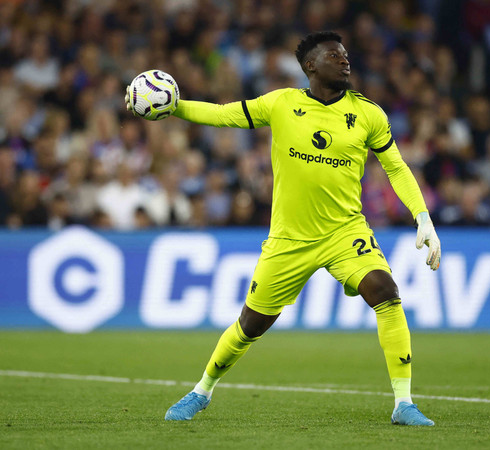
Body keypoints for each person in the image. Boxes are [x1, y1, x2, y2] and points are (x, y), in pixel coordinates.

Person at [125, 31, 441, 426]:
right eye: (334, 55)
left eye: (345, 55)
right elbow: (224, 115)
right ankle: (201, 390)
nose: (345, 61)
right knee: (250, 325)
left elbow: (396, 166)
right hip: (288, 239)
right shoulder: (281, 103)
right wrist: (175, 107)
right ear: (311, 66)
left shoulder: (368, 113)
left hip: (345, 232)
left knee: (386, 292)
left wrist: (422, 217)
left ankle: (403, 403)